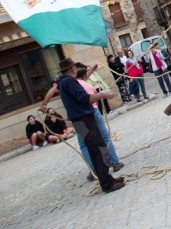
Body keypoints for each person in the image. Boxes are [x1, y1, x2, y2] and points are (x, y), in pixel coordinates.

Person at [40, 59, 124, 193]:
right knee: (100, 149)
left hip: (80, 120)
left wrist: (44, 103)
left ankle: (106, 178)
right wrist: (103, 95)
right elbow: (85, 98)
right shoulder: (69, 81)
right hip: (84, 119)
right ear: (72, 68)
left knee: (94, 150)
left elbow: (51, 91)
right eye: (75, 66)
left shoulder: (63, 81)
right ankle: (107, 184)